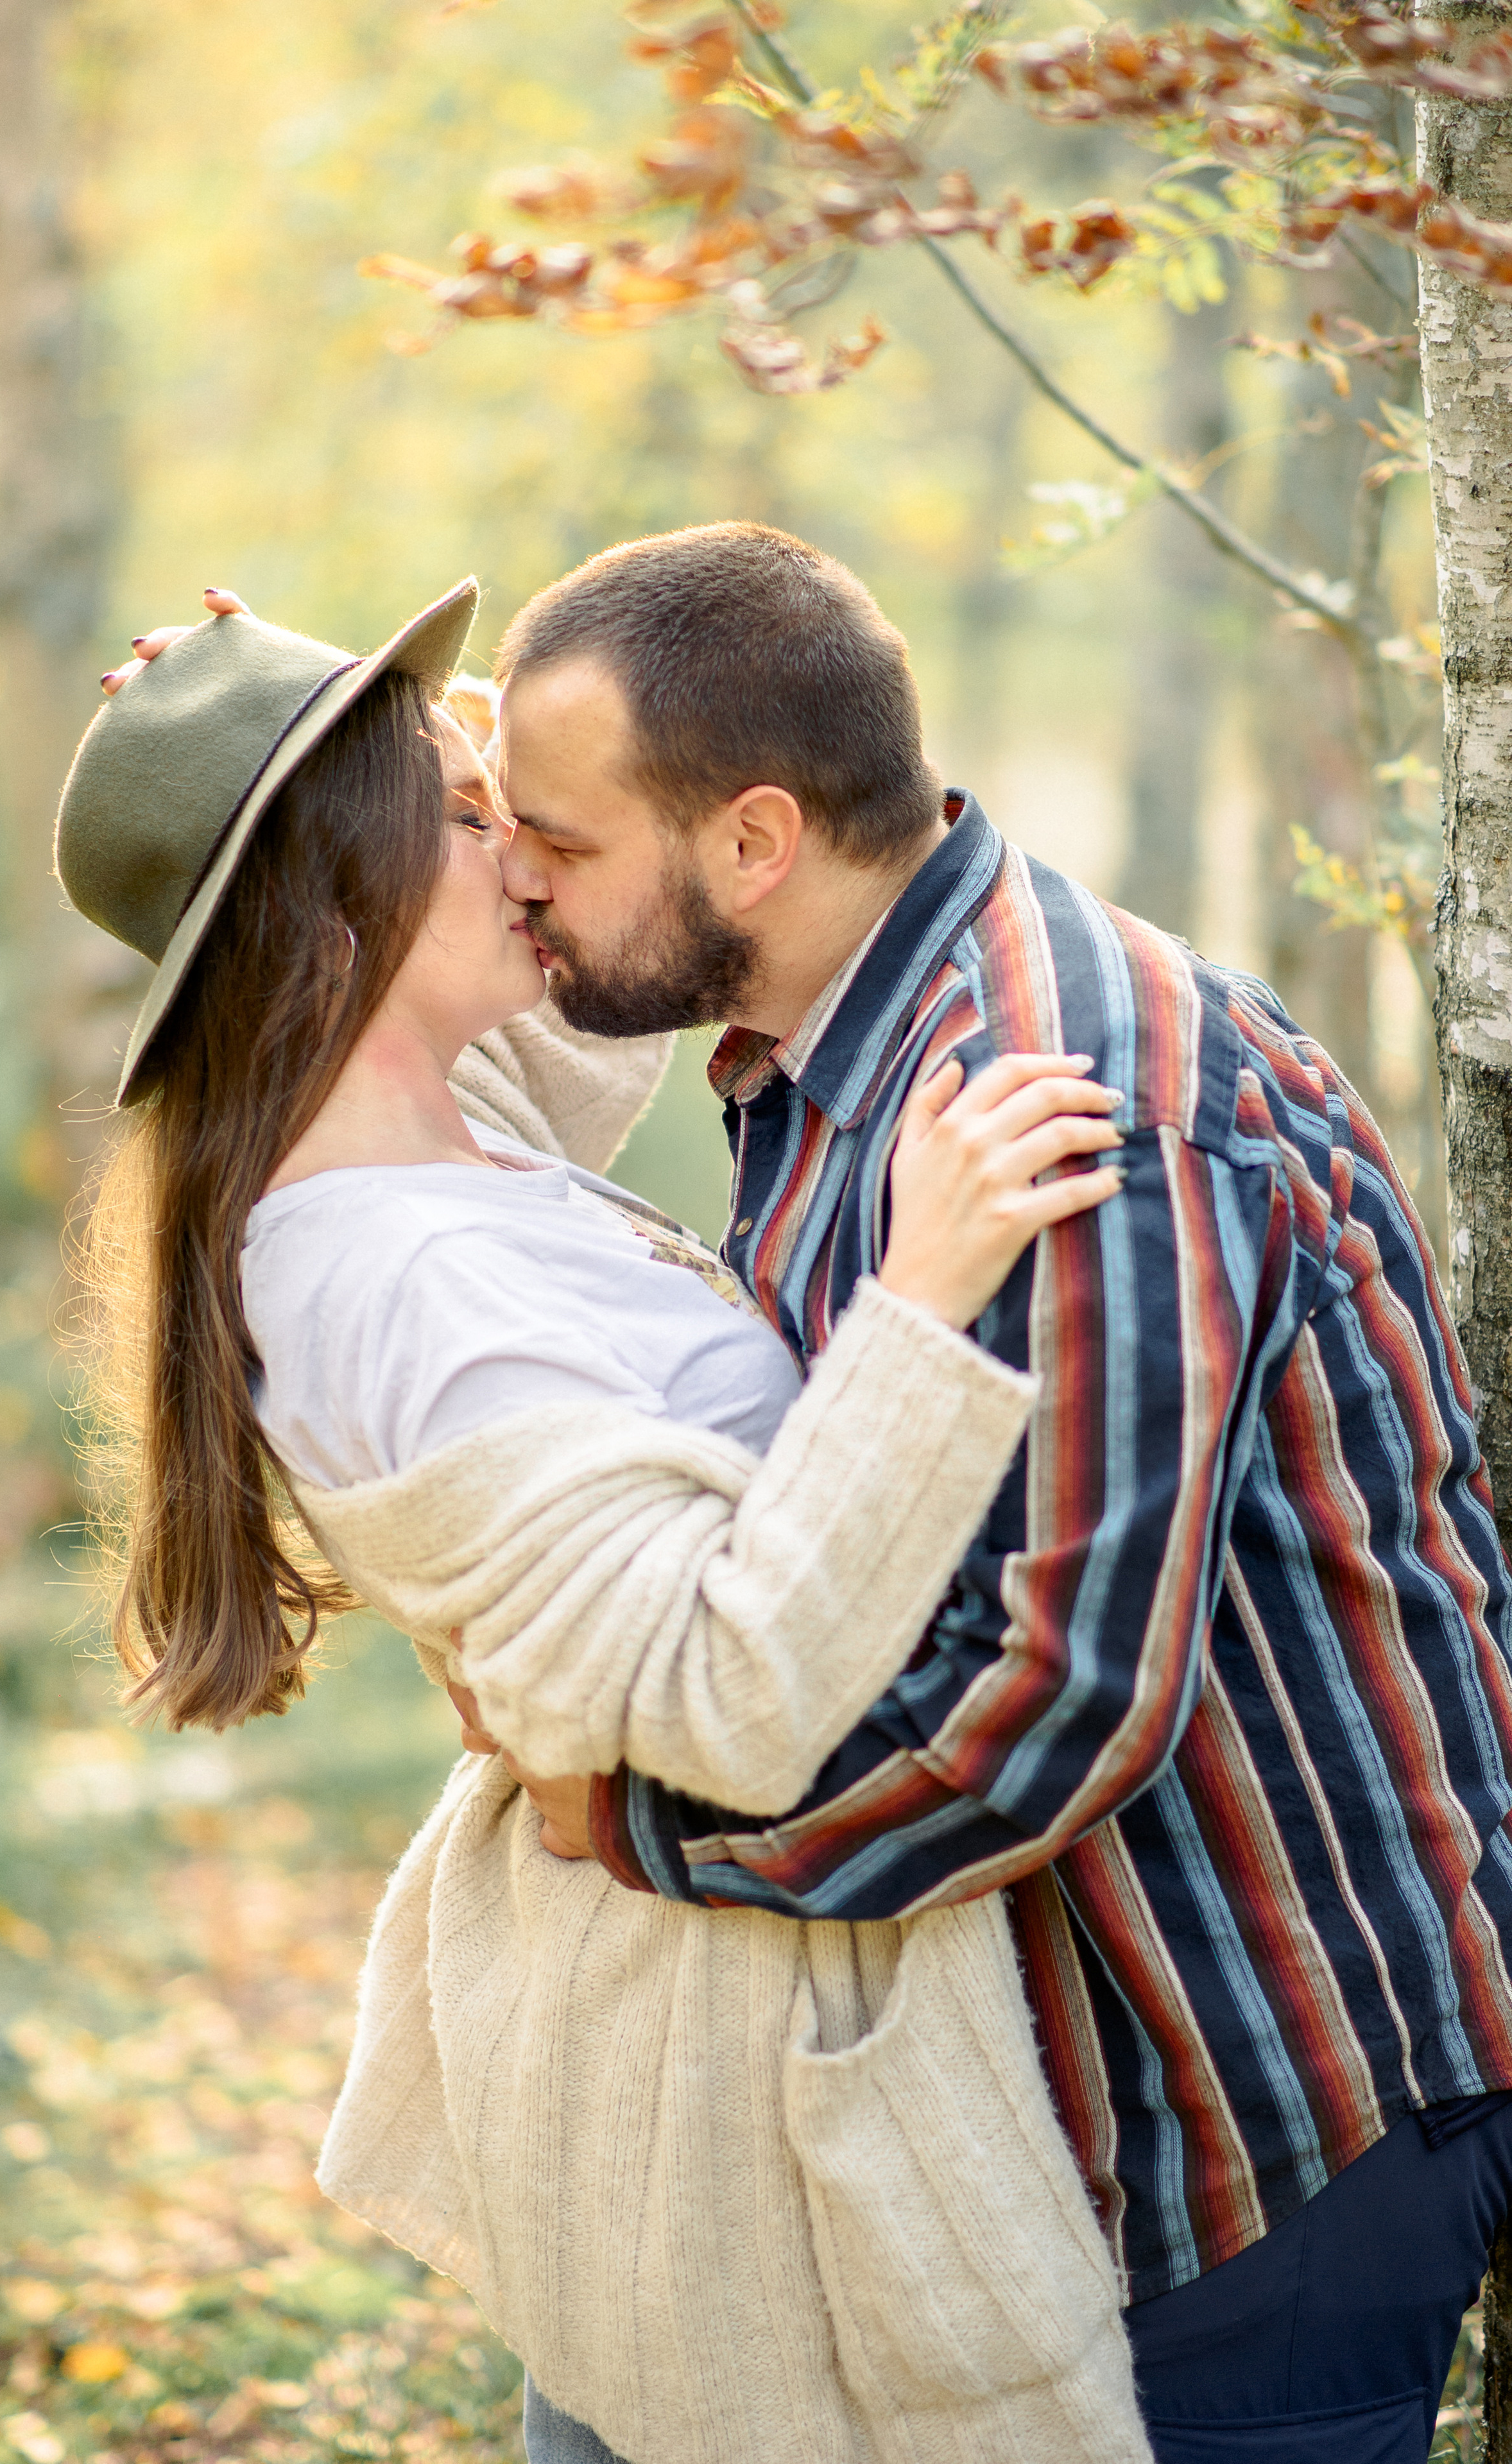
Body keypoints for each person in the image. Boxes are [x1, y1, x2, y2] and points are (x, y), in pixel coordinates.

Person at [409, 517, 1512, 2464]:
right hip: (1033, 2104)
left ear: (754, 840)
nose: (523, 884)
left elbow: (1040, 1708)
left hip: (1248, 2122)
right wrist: (281, 736)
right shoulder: (819, 1033)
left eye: (560, 846)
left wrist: (626, 1819)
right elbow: (415, 1086)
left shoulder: (1071, 1101)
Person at [64, 585, 1151, 2463]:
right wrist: (925, 1289)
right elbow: (727, 1697)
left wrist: (375, 724)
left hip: (684, 2022)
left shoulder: (417, 1121)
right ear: (338, 916)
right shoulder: (396, 1277)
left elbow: (582, 992)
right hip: (712, 2091)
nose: (532, 853)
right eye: (480, 817)